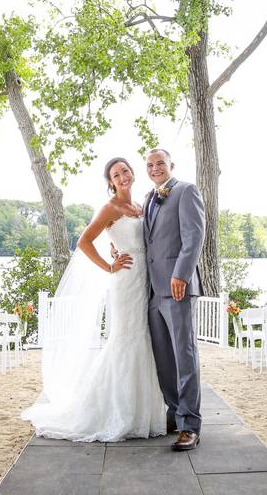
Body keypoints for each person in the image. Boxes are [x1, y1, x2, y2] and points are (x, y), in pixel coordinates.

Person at [20, 157, 166, 442]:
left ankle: (142, 413)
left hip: (146, 279)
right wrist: (109, 265)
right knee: (125, 339)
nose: (122, 176)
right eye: (116, 174)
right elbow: (84, 242)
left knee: (143, 339)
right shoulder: (109, 208)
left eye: (125, 171)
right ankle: (113, 412)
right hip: (125, 281)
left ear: (132, 173)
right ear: (110, 182)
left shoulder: (141, 205)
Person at [142, 148, 206, 451]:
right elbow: (148, 242)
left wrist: (181, 274)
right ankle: (174, 414)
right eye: (150, 164)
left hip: (177, 287)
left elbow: (194, 235)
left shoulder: (185, 191)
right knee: (164, 361)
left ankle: (190, 425)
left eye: (160, 163)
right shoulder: (148, 198)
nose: (155, 168)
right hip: (153, 291)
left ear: (171, 165)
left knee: (185, 357)